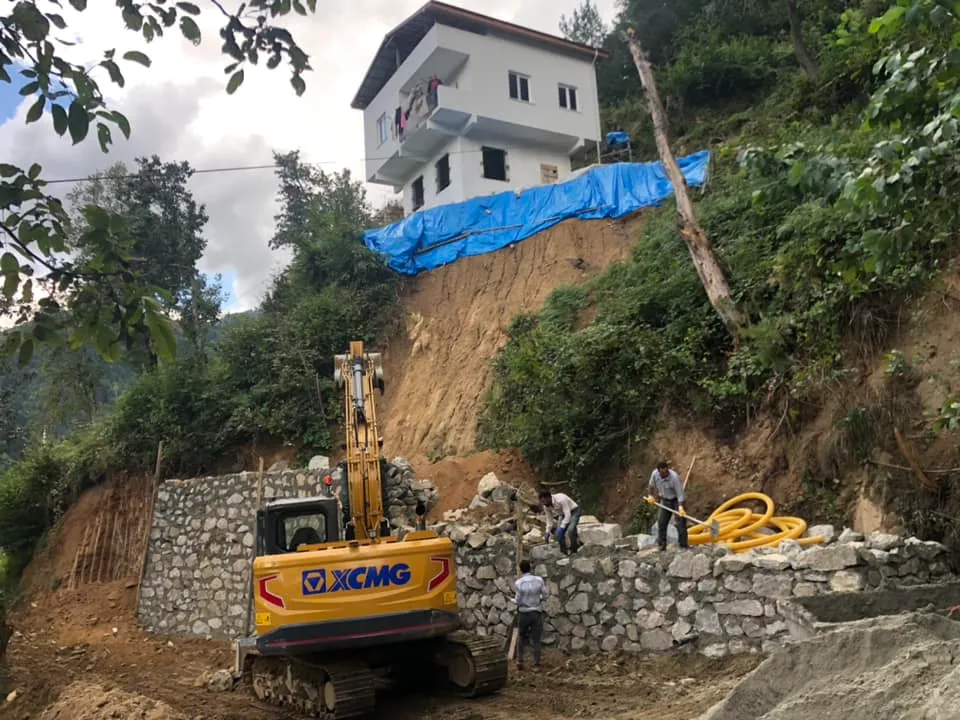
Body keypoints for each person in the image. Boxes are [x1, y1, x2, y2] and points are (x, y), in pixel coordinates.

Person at [513, 559, 547, 670]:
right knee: (536, 639)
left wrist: (512, 600)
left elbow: (518, 600)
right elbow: (545, 595)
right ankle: (536, 664)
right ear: (530, 568)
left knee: (522, 637)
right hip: (536, 611)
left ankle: (520, 661)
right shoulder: (539, 580)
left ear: (521, 570)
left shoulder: (519, 583)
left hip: (524, 612)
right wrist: (539, 598)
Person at [647, 460, 688, 551]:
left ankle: (683, 546)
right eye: (663, 472)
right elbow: (651, 486)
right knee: (661, 522)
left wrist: (681, 507)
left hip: (676, 500)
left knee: (680, 523)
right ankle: (662, 545)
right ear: (659, 471)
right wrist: (650, 495)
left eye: (667, 471)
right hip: (665, 500)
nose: (666, 474)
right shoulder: (655, 474)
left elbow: (680, 494)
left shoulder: (674, 478)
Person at [538, 488, 582, 555]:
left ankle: (574, 551)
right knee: (558, 534)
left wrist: (562, 527)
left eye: (544, 501)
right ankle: (563, 552)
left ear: (548, 497)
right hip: (562, 514)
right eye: (542, 502)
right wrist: (547, 532)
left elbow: (568, 514)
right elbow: (549, 519)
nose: (544, 503)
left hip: (573, 511)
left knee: (570, 530)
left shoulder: (561, 499)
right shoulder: (546, 506)